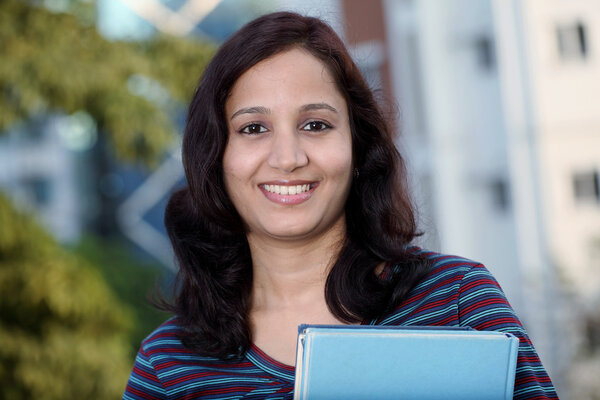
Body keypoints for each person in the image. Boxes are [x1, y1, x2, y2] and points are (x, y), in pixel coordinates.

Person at [123, 11, 558, 400]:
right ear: (214, 155)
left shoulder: (459, 302)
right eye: (253, 127)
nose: (288, 158)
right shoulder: (169, 366)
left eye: (316, 124)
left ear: (358, 145)